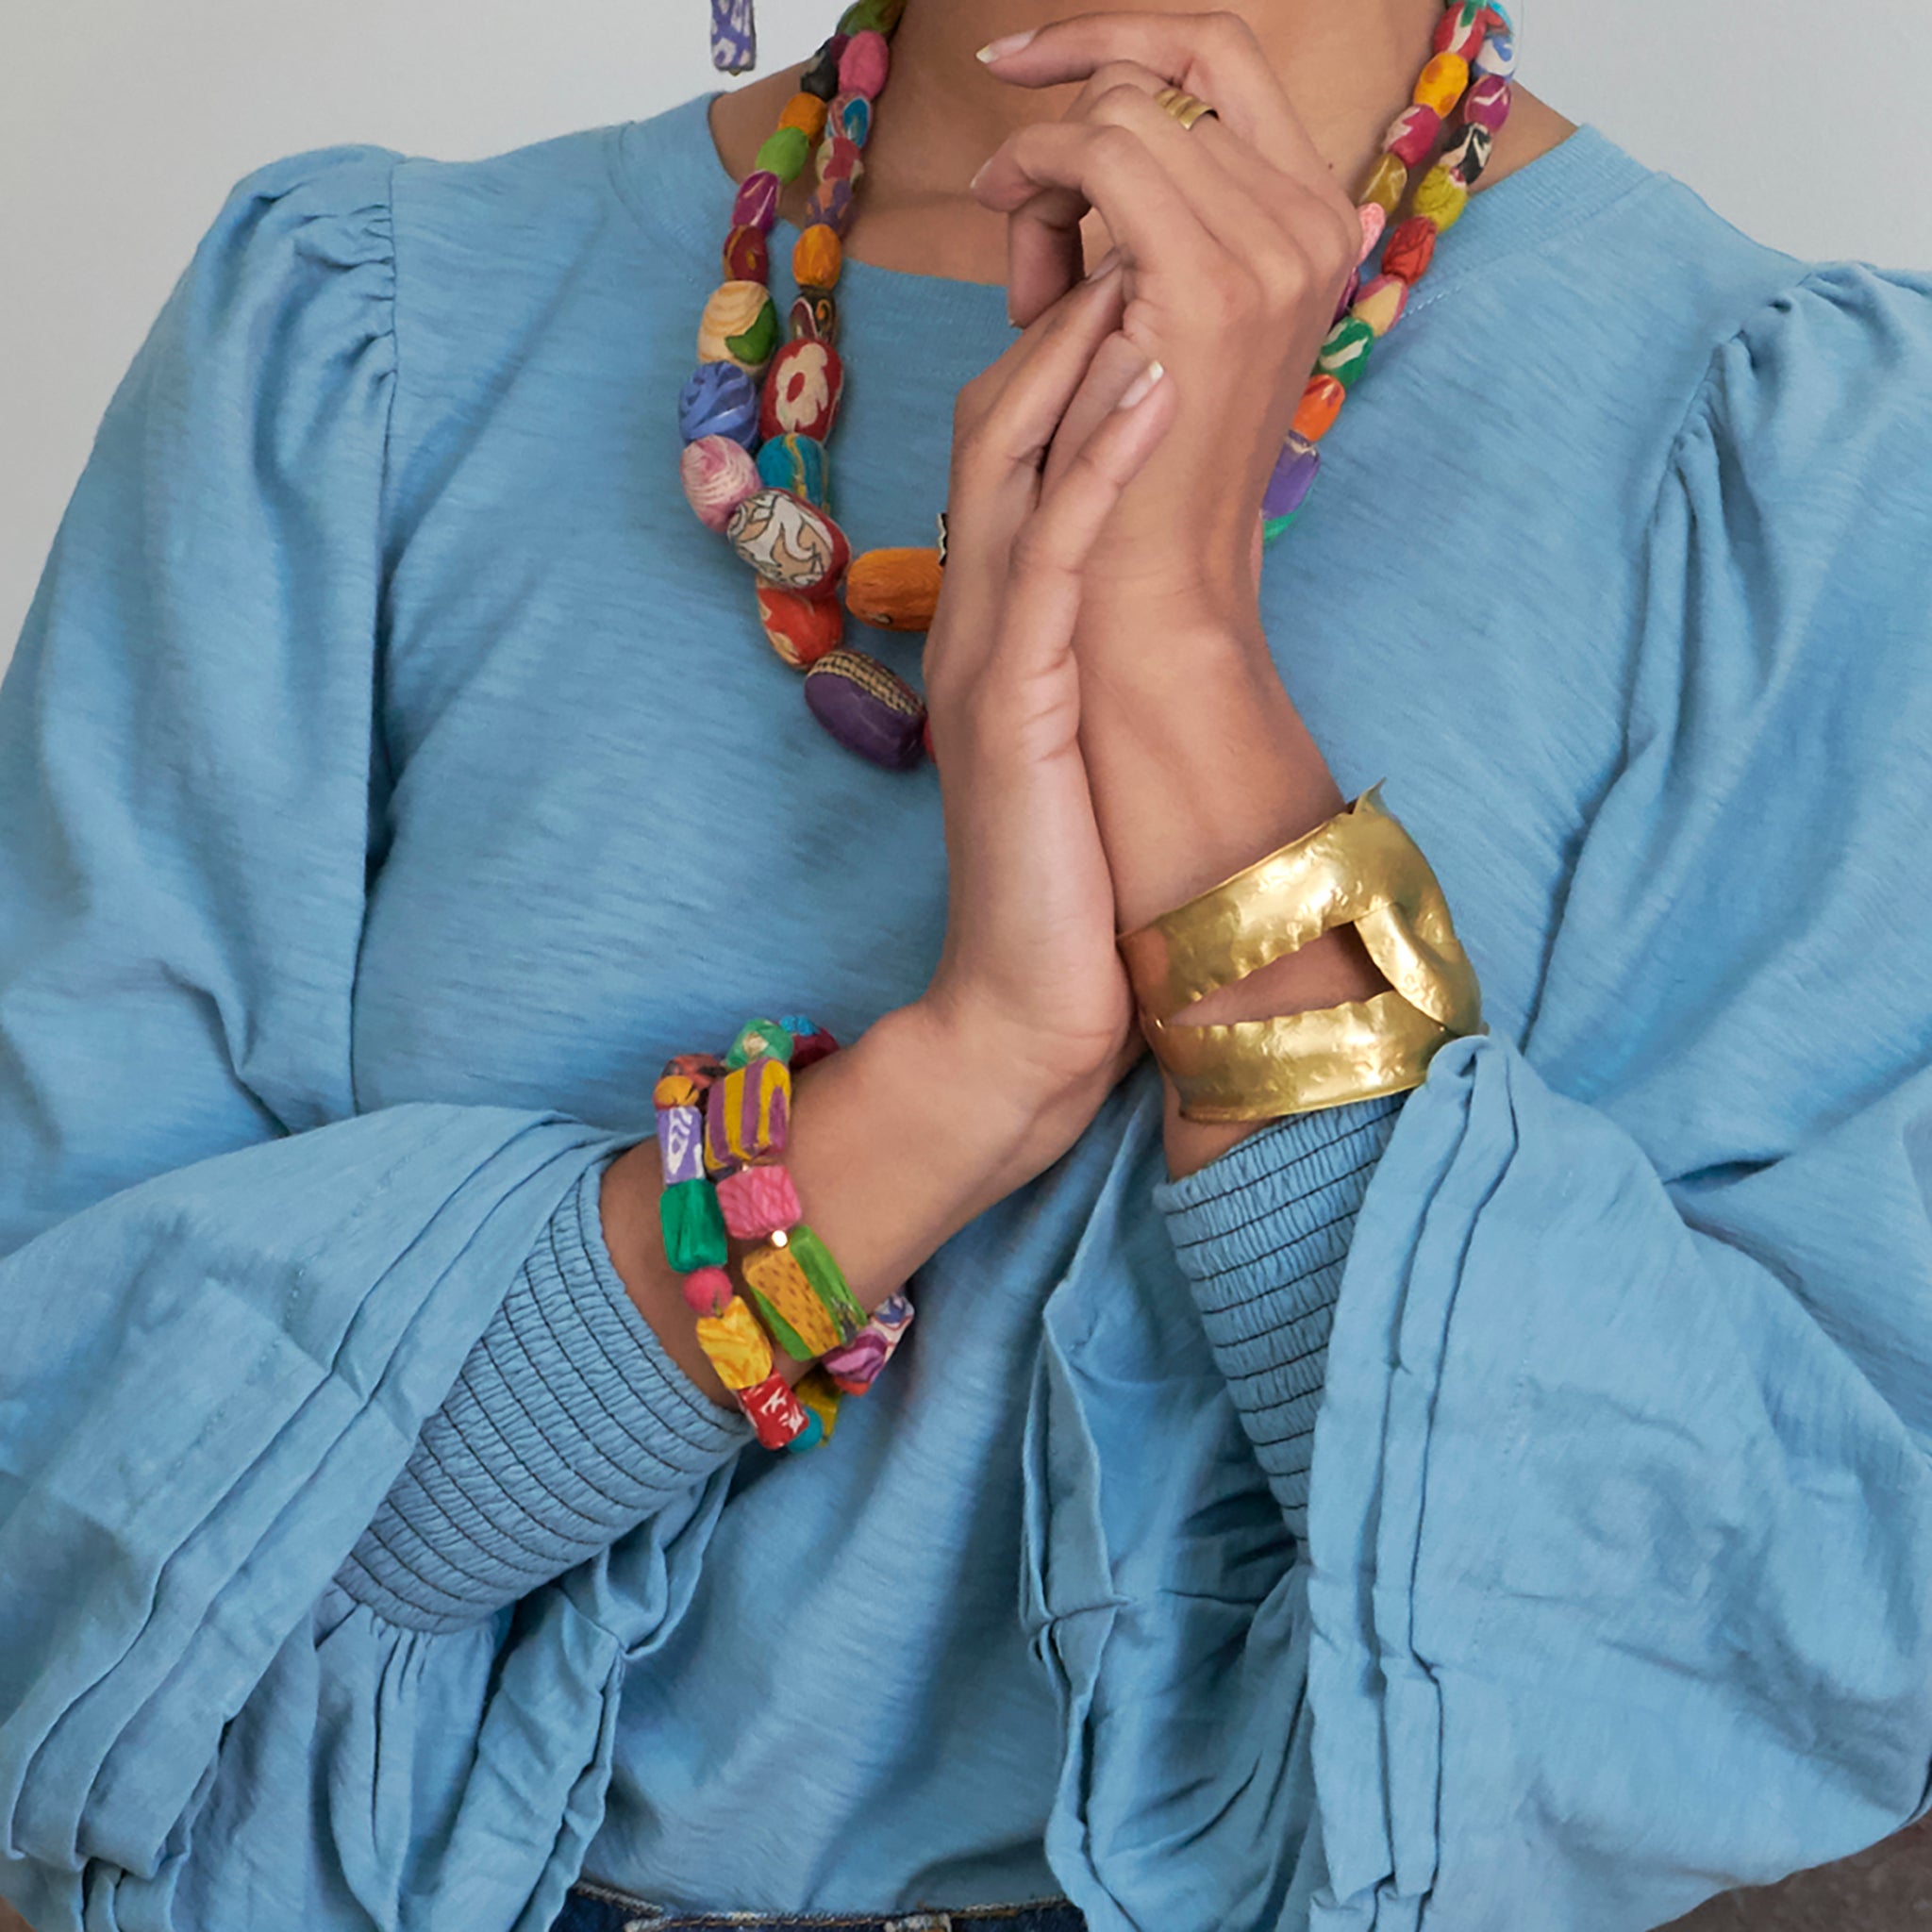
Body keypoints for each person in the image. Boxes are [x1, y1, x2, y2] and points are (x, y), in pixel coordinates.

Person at [3, 0, 1932, 1926]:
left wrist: (1183, 678)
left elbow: (1730, 1647)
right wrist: (966, 1070)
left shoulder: (1801, 462)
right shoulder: (351, 337)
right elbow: (87, 1542)